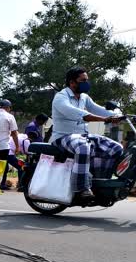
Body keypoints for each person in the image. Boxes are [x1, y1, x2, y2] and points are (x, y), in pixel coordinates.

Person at [51, 66, 123, 200]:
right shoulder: (61, 97)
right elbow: (80, 114)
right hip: (63, 136)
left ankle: (100, 181)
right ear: (72, 82)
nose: (86, 83)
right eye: (83, 80)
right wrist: (105, 119)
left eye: (87, 80)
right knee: (83, 147)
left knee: (116, 148)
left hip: (83, 136)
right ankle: (82, 188)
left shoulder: (84, 97)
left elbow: (99, 109)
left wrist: (120, 116)